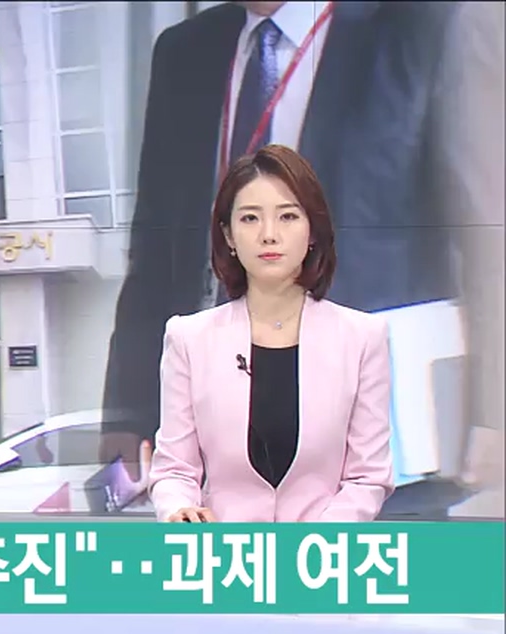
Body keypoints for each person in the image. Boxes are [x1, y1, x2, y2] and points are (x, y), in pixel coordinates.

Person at [100, 0, 482, 518]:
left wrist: (491, 409)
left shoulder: (423, 25)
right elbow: (154, 247)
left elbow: (485, 236)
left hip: (382, 446)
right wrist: (128, 411)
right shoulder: (184, 53)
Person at [147, 144, 394, 523]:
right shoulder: (188, 339)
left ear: (312, 231)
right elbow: (174, 469)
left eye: (288, 216)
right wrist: (179, 509)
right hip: (222, 551)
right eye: (250, 218)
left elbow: (367, 476)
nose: (269, 235)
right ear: (228, 235)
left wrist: (315, 542)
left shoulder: (362, 338)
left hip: (323, 551)